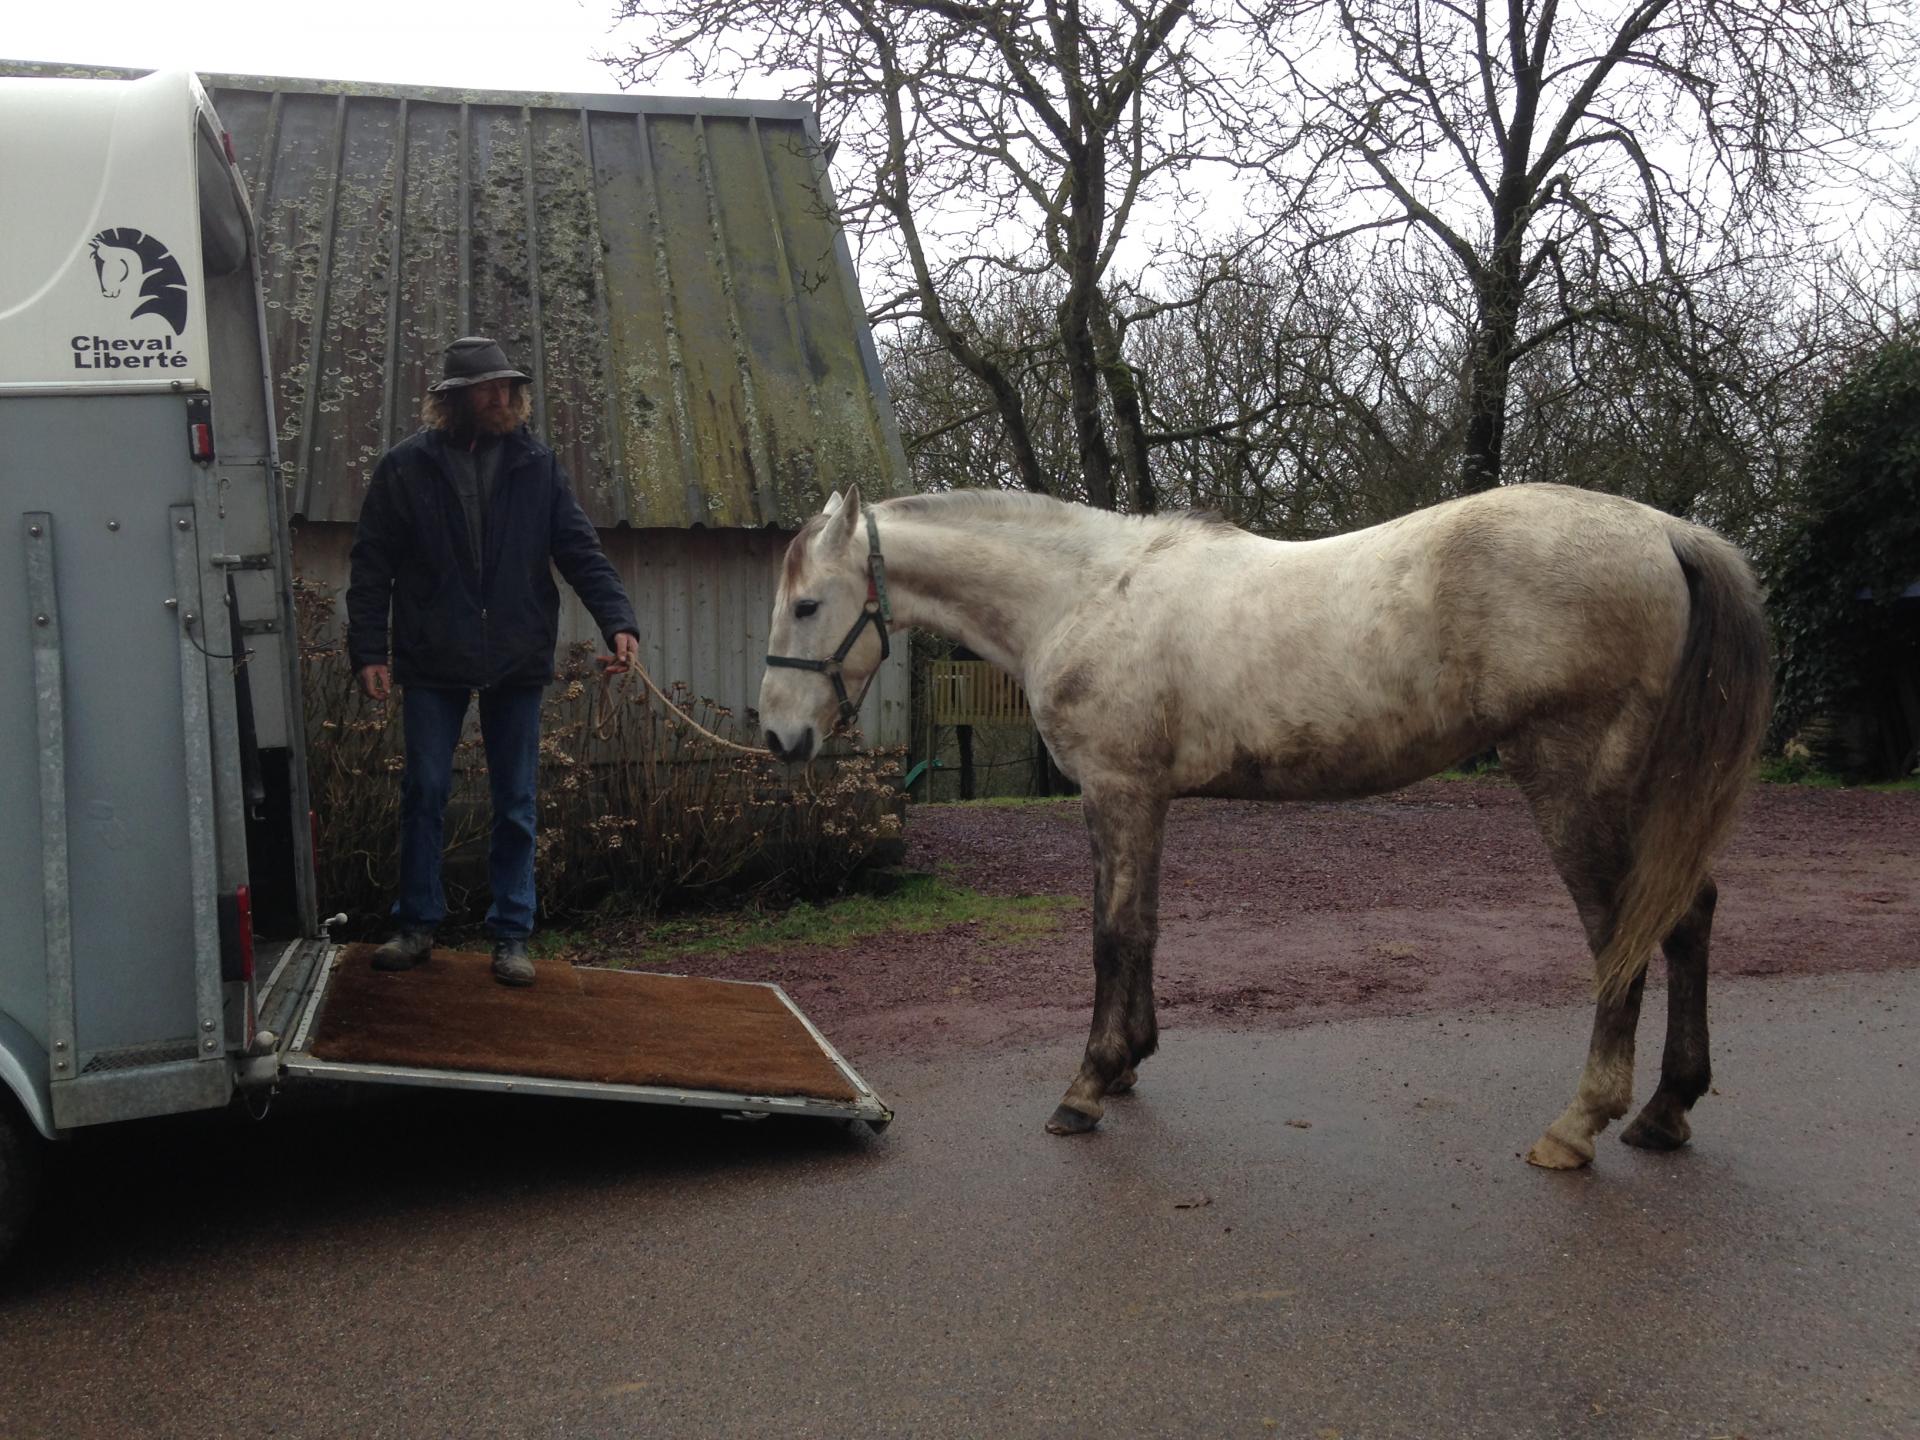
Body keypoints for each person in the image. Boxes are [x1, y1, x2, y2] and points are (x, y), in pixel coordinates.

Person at [347, 336, 639, 987]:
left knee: (516, 801)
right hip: (432, 653)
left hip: (515, 654)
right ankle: (416, 925)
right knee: (423, 793)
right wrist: (369, 649)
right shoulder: (405, 468)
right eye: (490, 388)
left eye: (510, 387)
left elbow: (578, 549)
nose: (504, 398)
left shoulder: (537, 464)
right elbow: (371, 565)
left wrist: (618, 620)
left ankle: (511, 934)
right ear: (453, 399)